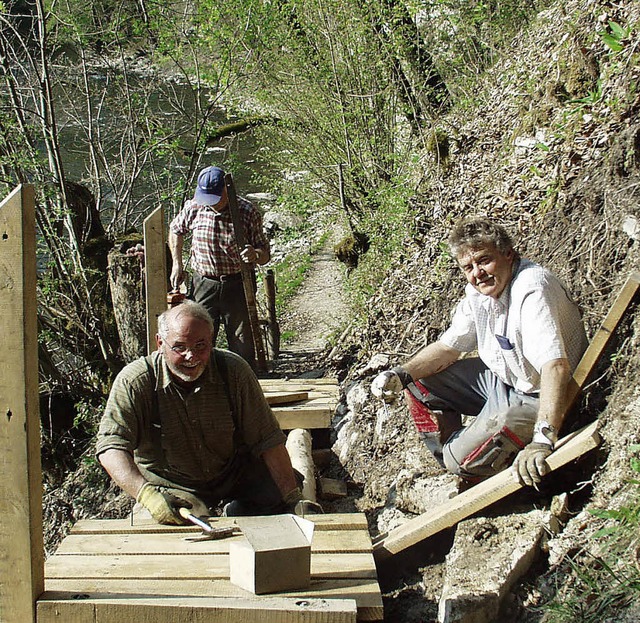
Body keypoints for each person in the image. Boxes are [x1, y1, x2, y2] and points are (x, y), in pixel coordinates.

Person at [371, 217, 588, 489]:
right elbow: (448, 348)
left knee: (459, 462)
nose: (478, 273)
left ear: (508, 254)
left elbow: (555, 367)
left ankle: (493, 474)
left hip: (541, 394)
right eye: (468, 267)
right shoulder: (479, 294)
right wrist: (399, 374)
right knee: (418, 384)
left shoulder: (531, 289)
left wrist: (542, 441)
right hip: (507, 380)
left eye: (484, 260)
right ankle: (471, 453)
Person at [96, 301, 317, 525]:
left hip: (232, 472)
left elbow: (267, 438)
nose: (191, 356)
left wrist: (292, 498)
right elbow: (110, 447)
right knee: (181, 521)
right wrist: (147, 496)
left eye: (201, 346)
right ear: (160, 343)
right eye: (180, 347)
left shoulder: (233, 371)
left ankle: (240, 510)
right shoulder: (135, 381)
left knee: (279, 494)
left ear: (212, 340)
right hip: (172, 482)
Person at [169, 165, 270, 370]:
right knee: (199, 337)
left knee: (242, 340)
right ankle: (204, 383)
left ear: (226, 190)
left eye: (214, 198)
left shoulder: (247, 212)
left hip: (238, 283)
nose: (211, 205)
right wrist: (177, 263)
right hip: (204, 283)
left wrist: (254, 255)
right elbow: (175, 230)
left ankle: (244, 383)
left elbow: (265, 254)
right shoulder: (194, 207)